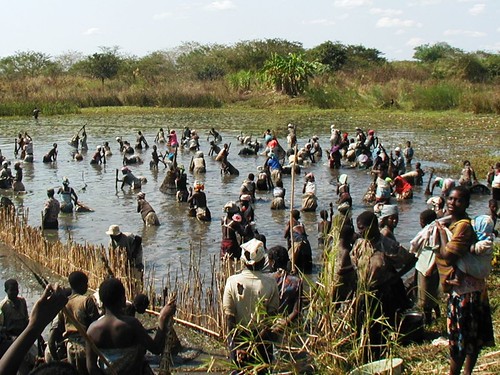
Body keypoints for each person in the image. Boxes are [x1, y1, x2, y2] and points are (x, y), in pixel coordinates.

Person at [434, 186, 494, 375]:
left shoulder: (463, 226)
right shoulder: (453, 224)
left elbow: (448, 256)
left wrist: (443, 235)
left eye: (459, 200)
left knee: (463, 340)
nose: (453, 203)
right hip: (464, 291)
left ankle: (460, 373)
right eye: (450, 199)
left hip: (467, 295)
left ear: (467, 204)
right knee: (467, 338)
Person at [86, 278, 176, 375]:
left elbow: (91, 367)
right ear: (123, 300)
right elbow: (156, 348)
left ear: (102, 301)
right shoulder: (131, 325)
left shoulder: (92, 330)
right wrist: (162, 317)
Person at [222, 238, 279, 371]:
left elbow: (230, 319)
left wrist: (239, 347)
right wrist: (255, 344)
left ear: (243, 260)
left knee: (238, 371)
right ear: (262, 261)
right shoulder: (271, 283)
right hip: (263, 342)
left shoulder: (232, 282)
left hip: (238, 339)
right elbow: (271, 319)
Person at [0, 283, 68, 375]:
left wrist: (35, 328)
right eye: (12, 290)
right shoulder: (3, 306)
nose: (15, 292)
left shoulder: (22, 301)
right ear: (6, 291)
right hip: (11, 336)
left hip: (23, 332)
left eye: (16, 290)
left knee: (33, 352)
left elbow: (26, 319)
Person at [48, 271, 99, 373]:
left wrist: (56, 359)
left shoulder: (65, 304)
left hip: (70, 348)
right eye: (86, 284)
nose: (87, 286)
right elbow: (96, 325)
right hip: (86, 346)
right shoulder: (87, 301)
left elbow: (55, 334)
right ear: (80, 285)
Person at [410, 209, 441, 324]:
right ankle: (436, 317)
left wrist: (431, 268)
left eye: (421, 221)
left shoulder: (433, 232)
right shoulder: (427, 232)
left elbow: (437, 253)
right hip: (422, 266)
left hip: (427, 268)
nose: (420, 223)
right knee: (429, 294)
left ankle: (429, 320)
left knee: (427, 298)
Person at [267, 246, 302, 327]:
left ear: (272, 263)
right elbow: (296, 311)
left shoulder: (266, 279)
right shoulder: (296, 281)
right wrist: (285, 322)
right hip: (288, 323)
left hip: (269, 324)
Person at [284, 210, 313, 274]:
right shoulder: (301, 224)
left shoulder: (290, 222)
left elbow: (285, 235)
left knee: (290, 264)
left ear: (291, 216)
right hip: (306, 244)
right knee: (307, 269)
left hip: (298, 244)